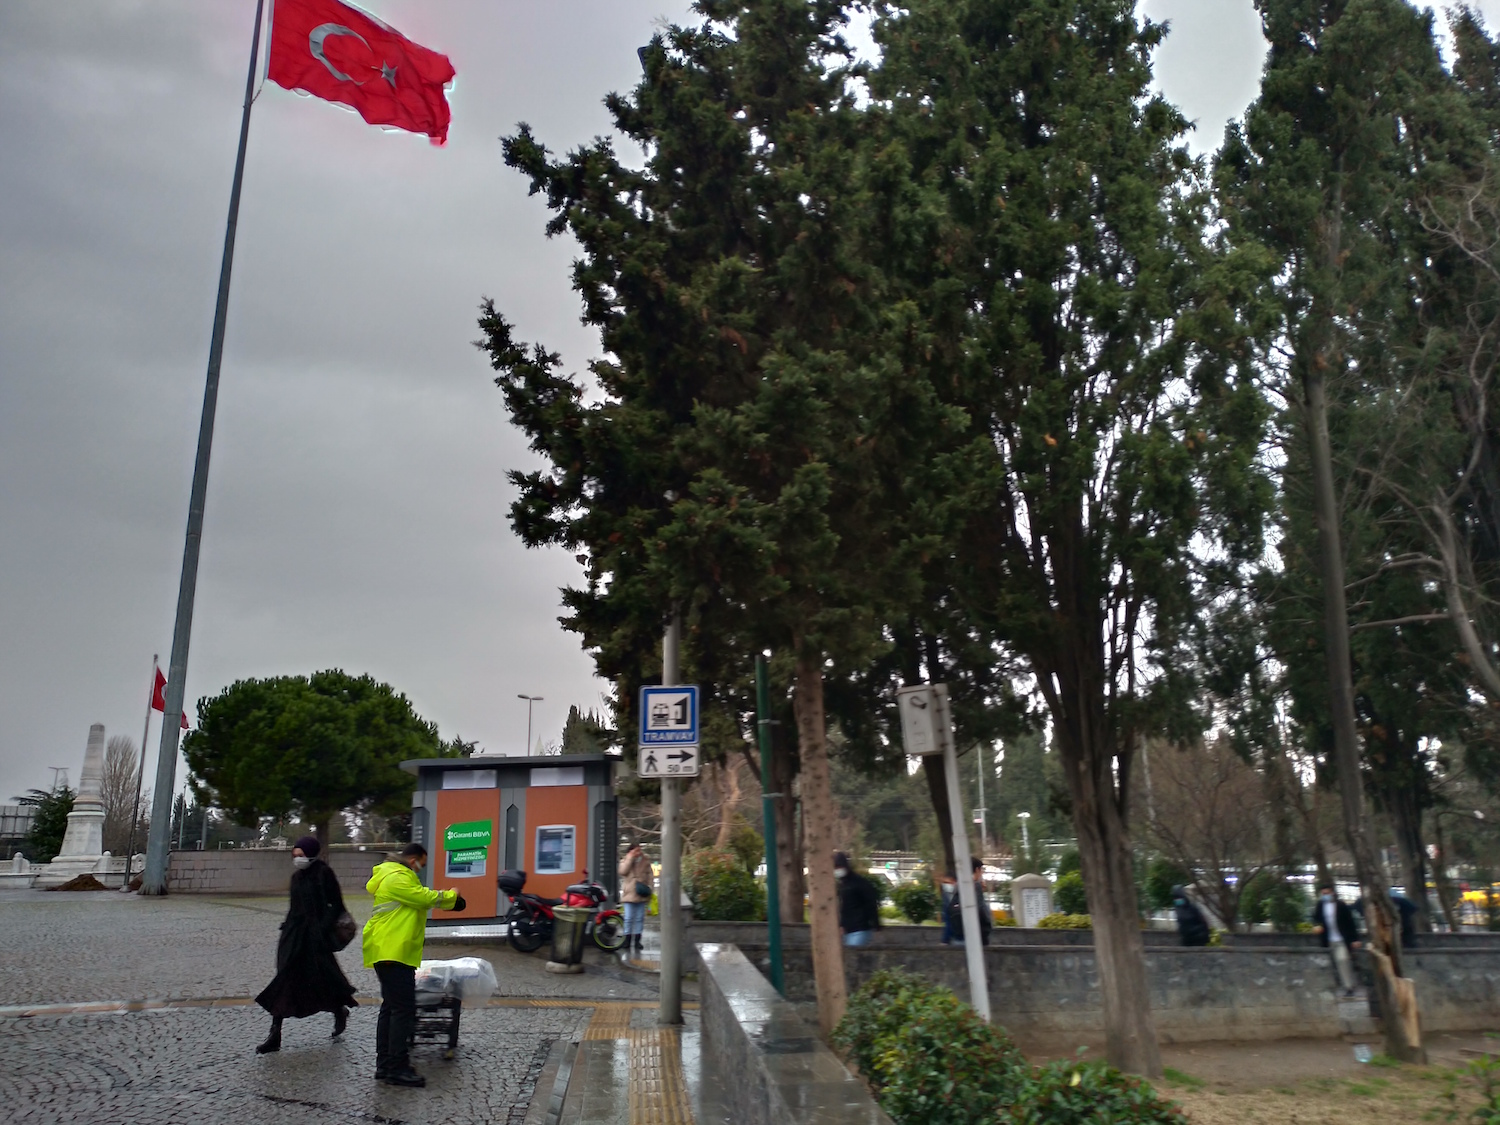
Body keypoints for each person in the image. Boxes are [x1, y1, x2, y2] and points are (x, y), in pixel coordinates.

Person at [363, 842, 464, 1087]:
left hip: (390, 949)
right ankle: (396, 1067)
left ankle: (385, 1065)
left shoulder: (390, 875)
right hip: (393, 950)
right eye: (421, 864)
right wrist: (452, 896)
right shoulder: (397, 877)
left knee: (391, 1008)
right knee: (402, 1010)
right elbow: (422, 897)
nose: (420, 869)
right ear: (413, 859)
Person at [253, 835, 358, 1054]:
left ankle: (339, 1010)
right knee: (284, 980)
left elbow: (336, 903)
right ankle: (275, 1033)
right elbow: (295, 906)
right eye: (295, 855)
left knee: (323, 979)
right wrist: (287, 928)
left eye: (301, 855)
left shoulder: (323, 873)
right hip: (294, 935)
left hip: (316, 938)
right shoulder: (297, 877)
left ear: (310, 853)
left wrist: (322, 927)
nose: (297, 859)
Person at [1311, 884, 1361, 996]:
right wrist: (1317, 926)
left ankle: (1348, 986)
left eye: (1327, 893)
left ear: (1332, 893)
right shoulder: (1320, 905)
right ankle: (1336, 985)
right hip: (1328, 939)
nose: (1325, 896)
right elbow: (1316, 919)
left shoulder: (1341, 905)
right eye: (1323, 894)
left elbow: (1350, 923)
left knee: (1342, 960)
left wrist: (1355, 939)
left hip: (1341, 939)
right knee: (1331, 963)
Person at [834, 852, 881, 948]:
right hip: (848, 930)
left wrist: (875, 923)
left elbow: (871, 903)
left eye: (839, 867)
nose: (837, 870)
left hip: (860, 929)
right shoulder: (843, 885)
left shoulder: (859, 883)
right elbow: (844, 908)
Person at [947, 856, 993, 947]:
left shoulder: (959, 885)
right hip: (977, 937)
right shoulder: (976, 885)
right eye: (981, 870)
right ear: (977, 870)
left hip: (959, 935)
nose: (982, 873)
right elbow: (980, 909)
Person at [618, 842, 654, 955]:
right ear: (630, 851)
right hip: (629, 893)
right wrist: (630, 859)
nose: (639, 853)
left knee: (639, 918)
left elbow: (650, 875)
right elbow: (622, 871)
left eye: (640, 850)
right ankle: (627, 940)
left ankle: (637, 940)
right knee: (628, 918)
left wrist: (650, 888)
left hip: (641, 891)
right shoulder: (625, 860)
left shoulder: (645, 860)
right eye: (636, 851)